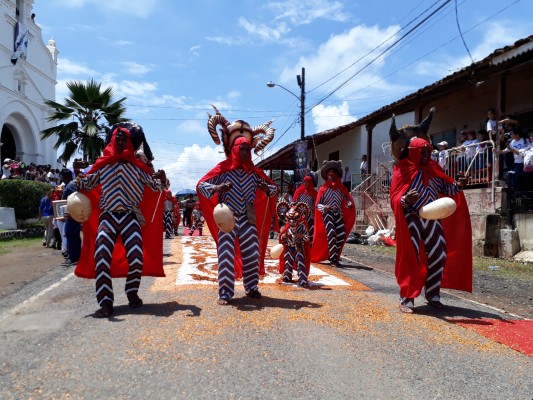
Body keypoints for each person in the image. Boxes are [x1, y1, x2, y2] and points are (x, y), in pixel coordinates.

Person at [74, 126, 167, 318]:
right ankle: (106, 302)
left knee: (136, 257)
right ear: (112, 141)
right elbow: (85, 184)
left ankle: (132, 292)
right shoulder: (103, 165)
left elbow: (156, 188)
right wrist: (77, 172)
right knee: (101, 257)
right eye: (118, 138)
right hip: (107, 217)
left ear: (129, 143)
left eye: (124, 139)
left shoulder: (138, 167)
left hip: (129, 217)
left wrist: (163, 180)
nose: (121, 142)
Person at [197, 117, 278, 305]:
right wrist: (217, 189)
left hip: (248, 219)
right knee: (226, 254)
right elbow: (201, 186)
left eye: (247, 149)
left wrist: (267, 189)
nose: (244, 152)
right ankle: (225, 293)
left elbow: (273, 189)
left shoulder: (254, 172)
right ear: (234, 149)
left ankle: (251, 287)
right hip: (228, 219)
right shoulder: (223, 170)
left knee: (252, 253)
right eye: (241, 149)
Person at [389, 133, 472, 314]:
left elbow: (447, 189)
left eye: (428, 152)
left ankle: (432, 294)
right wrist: (405, 199)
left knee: (439, 253)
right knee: (411, 256)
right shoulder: (401, 170)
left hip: (432, 219)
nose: (427, 156)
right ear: (413, 152)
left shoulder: (434, 169)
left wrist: (458, 185)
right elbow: (395, 197)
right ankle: (407, 298)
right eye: (423, 152)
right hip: (411, 217)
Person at [310, 160, 355, 267]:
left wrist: (349, 204)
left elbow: (347, 199)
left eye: (334, 172)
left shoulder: (342, 189)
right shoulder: (323, 189)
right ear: (326, 175)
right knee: (331, 232)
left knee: (341, 234)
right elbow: (317, 205)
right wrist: (324, 207)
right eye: (330, 172)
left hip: (338, 213)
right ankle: (333, 259)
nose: (332, 174)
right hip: (327, 213)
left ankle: (333, 255)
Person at [277, 202, 311, 288]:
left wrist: (301, 236)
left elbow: (307, 238)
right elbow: (282, 239)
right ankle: (287, 277)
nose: (292, 221)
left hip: (299, 248)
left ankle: (303, 280)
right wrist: (284, 236)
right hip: (289, 248)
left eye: (294, 218)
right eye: (290, 219)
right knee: (288, 262)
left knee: (300, 263)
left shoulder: (302, 227)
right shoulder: (288, 228)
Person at [61, 169, 82, 266]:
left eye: (62, 176)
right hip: (72, 213)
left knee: (70, 234)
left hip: (72, 214)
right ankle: (76, 256)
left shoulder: (70, 185)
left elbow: (78, 196)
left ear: (65, 176)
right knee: (74, 235)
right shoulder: (70, 184)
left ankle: (72, 257)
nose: (61, 178)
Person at [291, 175, 318, 242]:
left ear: (310, 183)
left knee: (310, 233)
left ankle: (310, 248)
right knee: (299, 233)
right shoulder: (299, 191)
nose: (305, 184)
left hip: (311, 216)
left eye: (307, 182)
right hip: (300, 217)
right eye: (304, 182)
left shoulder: (314, 193)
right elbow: (294, 201)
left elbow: (316, 203)